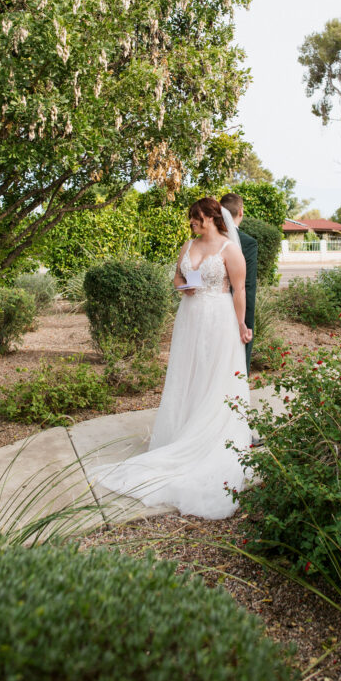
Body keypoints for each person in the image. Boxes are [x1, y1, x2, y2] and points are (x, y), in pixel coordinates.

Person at [89, 197, 253, 520]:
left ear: (210, 216)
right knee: (187, 377)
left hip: (218, 320)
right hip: (190, 319)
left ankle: (208, 438)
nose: (191, 222)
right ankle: (182, 431)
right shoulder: (188, 244)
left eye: (196, 217)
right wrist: (184, 288)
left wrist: (242, 325)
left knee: (213, 378)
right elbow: (178, 279)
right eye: (191, 218)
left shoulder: (229, 250)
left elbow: (240, 290)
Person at [220, 193, 258, 374]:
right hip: (237, 305)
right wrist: (246, 320)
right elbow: (247, 285)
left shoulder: (205, 239)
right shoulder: (248, 243)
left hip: (209, 305)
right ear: (240, 212)